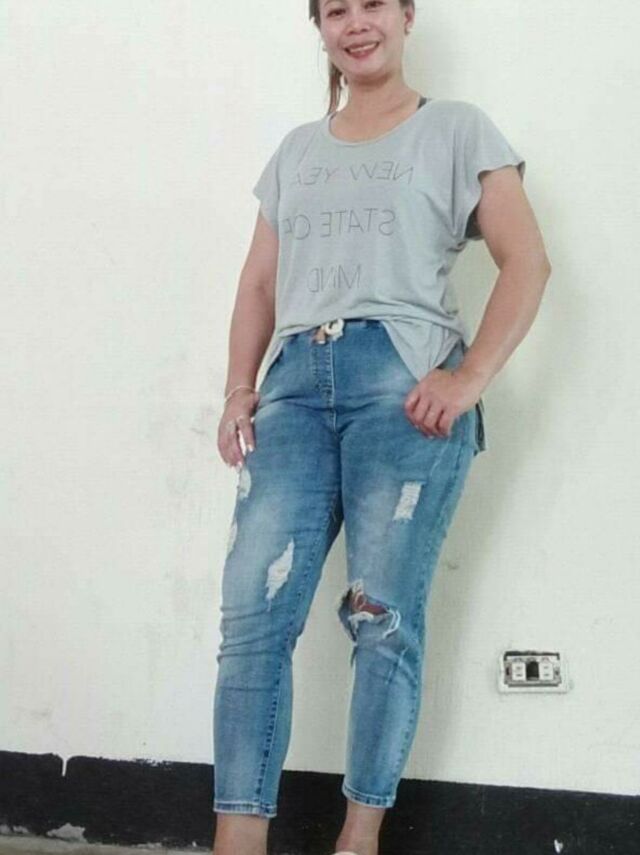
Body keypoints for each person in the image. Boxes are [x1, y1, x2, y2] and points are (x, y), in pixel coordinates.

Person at [211, 1, 551, 854]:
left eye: (373, 5)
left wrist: (469, 377)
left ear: (405, 17)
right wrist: (239, 388)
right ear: (319, 27)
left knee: (383, 618)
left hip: (402, 385)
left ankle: (358, 840)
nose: (355, 24)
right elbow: (260, 284)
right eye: (336, 10)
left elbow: (527, 259)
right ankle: (236, 840)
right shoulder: (296, 151)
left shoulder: (458, 130)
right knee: (252, 619)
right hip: (293, 388)